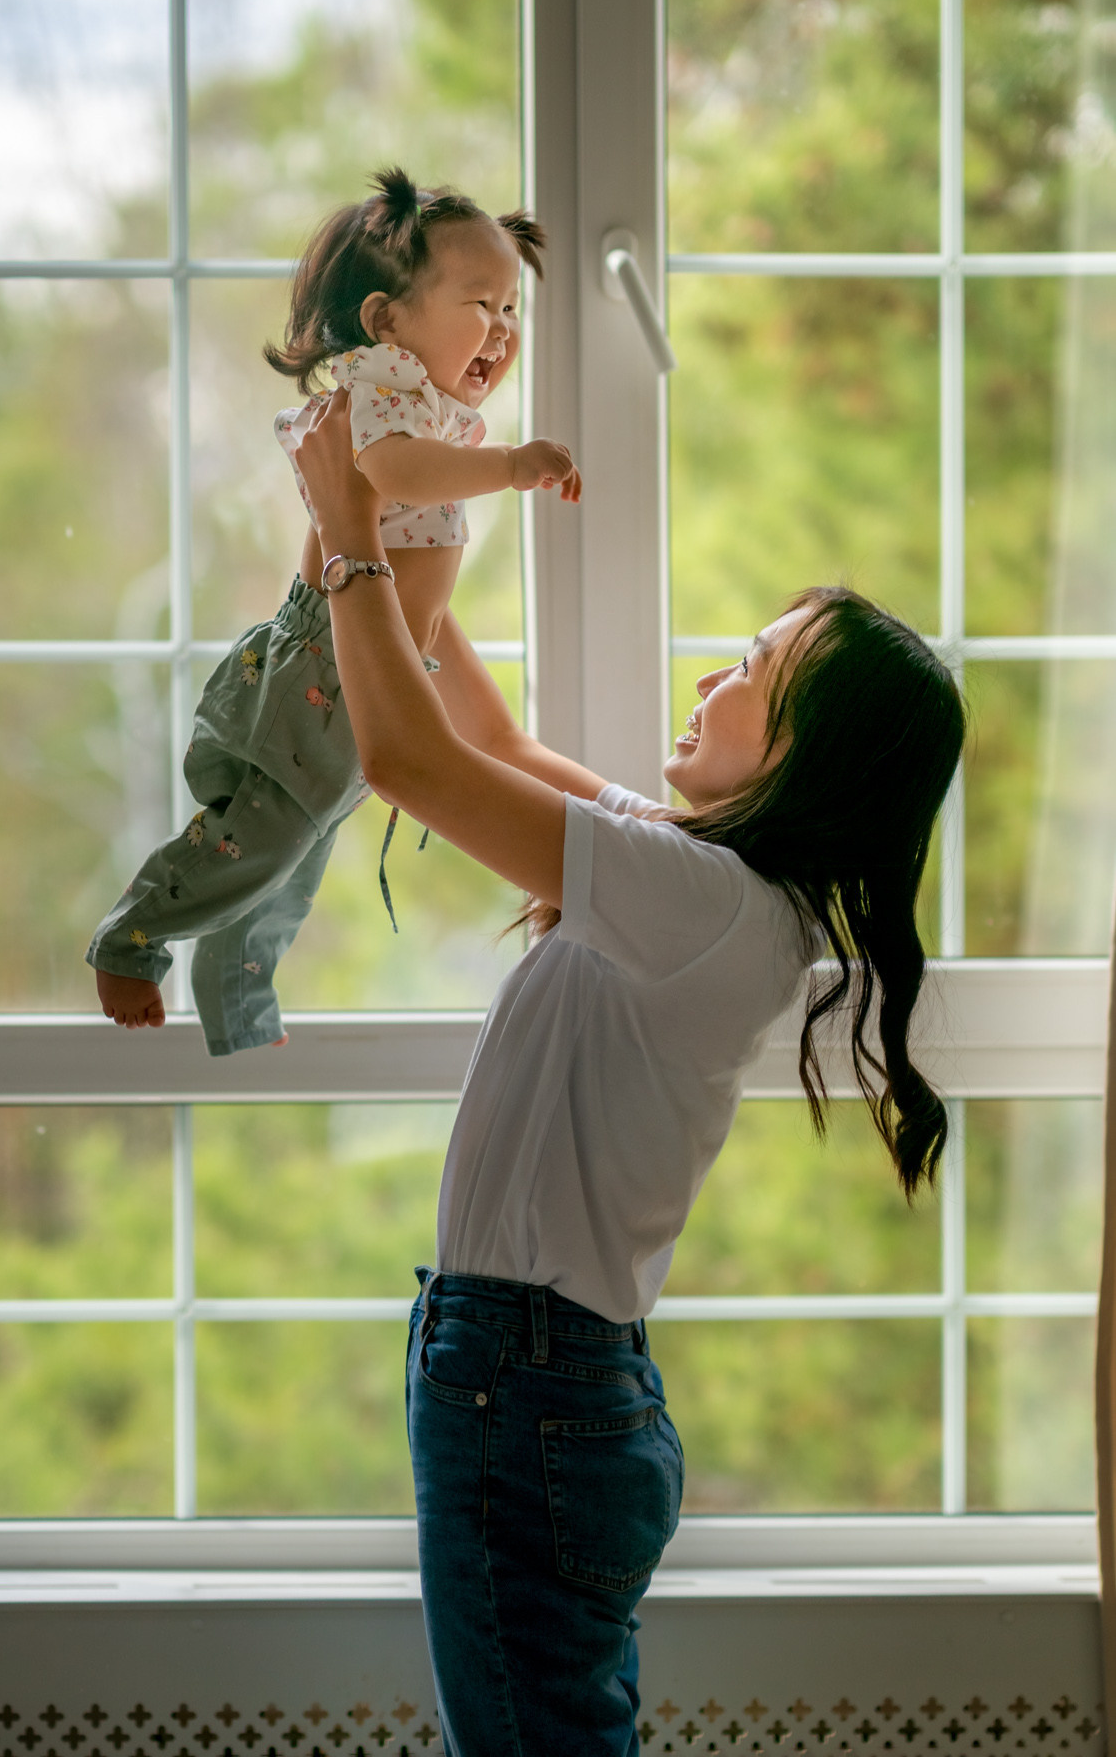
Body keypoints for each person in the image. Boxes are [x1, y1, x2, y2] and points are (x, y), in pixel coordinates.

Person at [292, 384, 967, 1757]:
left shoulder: (704, 903)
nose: (707, 682)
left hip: (525, 1385)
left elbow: (407, 759)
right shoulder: (710, 887)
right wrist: (408, 545)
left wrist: (353, 537)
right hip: (541, 1379)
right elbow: (485, 743)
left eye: (748, 675)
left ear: (801, 751)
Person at [84, 167, 581, 1055]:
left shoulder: (425, 401)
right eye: (479, 304)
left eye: (512, 311)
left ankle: (236, 1001)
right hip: (327, 663)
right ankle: (132, 935)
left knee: (295, 859)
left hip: (375, 663)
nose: (502, 333)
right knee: (264, 841)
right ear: (388, 320)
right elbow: (389, 473)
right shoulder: (376, 391)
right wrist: (510, 465)